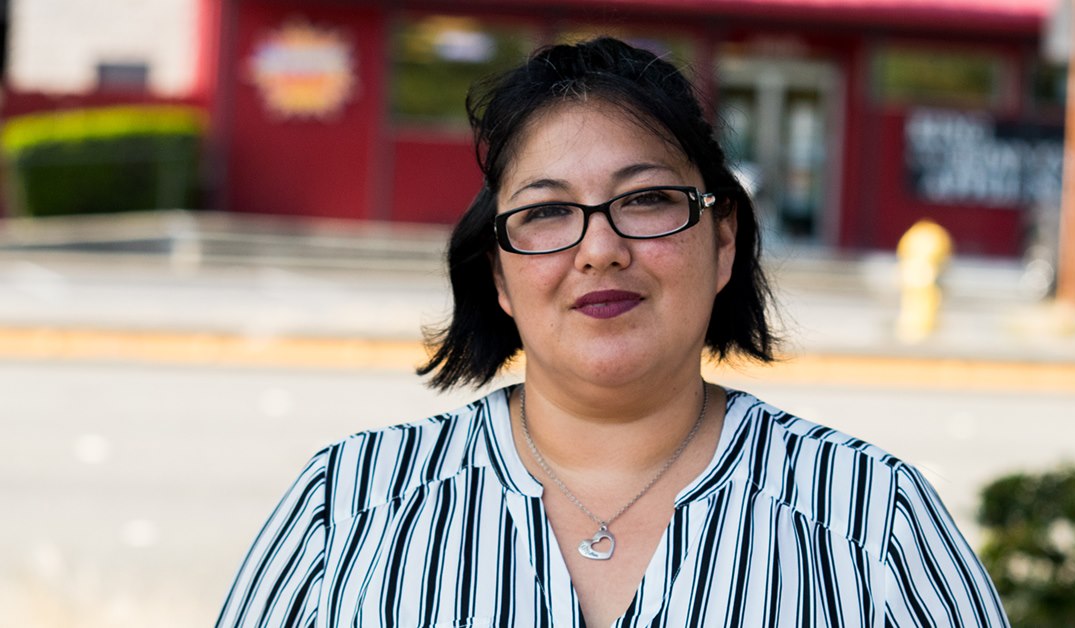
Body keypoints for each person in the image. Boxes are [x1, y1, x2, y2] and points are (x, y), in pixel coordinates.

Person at [217, 37, 1009, 627]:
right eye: (546, 211)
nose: (599, 249)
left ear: (722, 240)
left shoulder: (873, 521)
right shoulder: (347, 507)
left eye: (646, 199)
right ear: (499, 275)